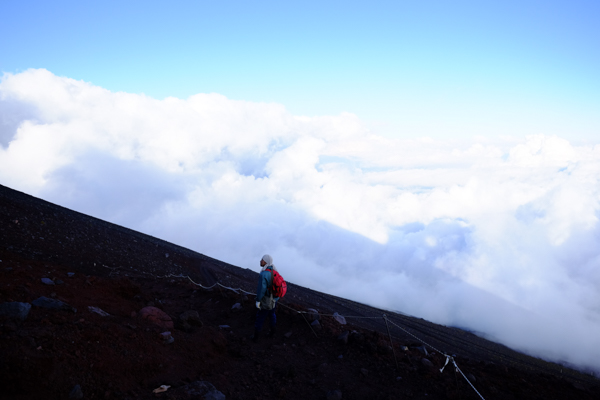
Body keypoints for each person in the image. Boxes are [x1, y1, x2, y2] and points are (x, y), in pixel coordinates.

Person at [252, 254, 279, 342]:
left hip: (266, 300)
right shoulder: (275, 272)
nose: (260, 261)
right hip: (274, 300)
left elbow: (261, 289)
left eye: (262, 260)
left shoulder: (264, 274)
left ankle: (256, 338)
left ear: (266, 262)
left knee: (260, 317)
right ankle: (273, 332)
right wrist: (275, 299)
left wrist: (258, 300)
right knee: (272, 315)